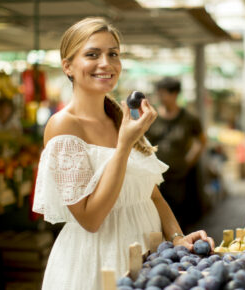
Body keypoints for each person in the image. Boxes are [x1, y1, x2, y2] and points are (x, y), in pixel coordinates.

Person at [32, 17, 214, 290]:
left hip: (149, 260)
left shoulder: (121, 117)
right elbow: (90, 219)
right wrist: (124, 145)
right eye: (92, 54)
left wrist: (177, 237)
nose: (106, 63)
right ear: (67, 66)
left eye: (113, 54)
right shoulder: (64, 125)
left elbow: (151, 195)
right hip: (98, 265)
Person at [146, 77, 207, 232]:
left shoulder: (189, 119)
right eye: (158, 94)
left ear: (175, 95)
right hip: (154, 175)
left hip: (178, 175)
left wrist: (189, 161)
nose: (160, 98)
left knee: (179, 212)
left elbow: (201, 141)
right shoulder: (151, 117)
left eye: (164, 94)